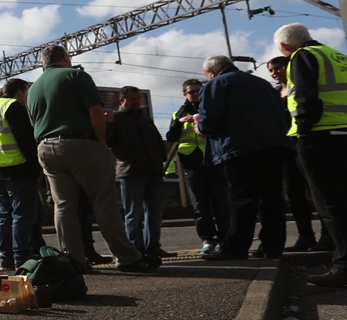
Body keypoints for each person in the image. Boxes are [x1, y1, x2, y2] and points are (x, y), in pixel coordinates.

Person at [274, 23, 347, 287]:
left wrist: (302, 131)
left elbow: (305, 98)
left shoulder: (302, 57)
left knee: (330, 204)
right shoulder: (339, 57)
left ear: (284, 47)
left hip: (319, 137)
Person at [24, 45, 154, 273]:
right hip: (80, 143)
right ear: (65, 57)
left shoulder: (32, 89)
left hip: (46, 147)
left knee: (64, 205)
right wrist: (100, 142)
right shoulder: (76, 75)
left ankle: (74, 260)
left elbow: (35, 122)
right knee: (104, 201)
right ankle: (127, 257)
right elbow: (95, 111)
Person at [196, 55, 288, 260]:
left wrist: (198, 126)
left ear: (211, 72)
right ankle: (272, 247)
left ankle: (235, 248)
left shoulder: (215, 85)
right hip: (273, 147)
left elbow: (208, 123)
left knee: (242, 200)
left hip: (239, 149)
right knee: (271, 199)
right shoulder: (263, 84)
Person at [265, 55, 328, 252]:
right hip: (285, 148)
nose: (274, 73)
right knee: (293, 193)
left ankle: (328, 235)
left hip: (304, 142)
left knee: (317, 191)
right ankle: (305, 236)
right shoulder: (274, 93)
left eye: (277, 68)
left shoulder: (298, 86)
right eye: (271, 70)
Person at [166, 77, 230, 255]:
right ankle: (207, 239)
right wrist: (179, 123)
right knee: (199, 204)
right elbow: (171, 137)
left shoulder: (211, 109)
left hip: (214, 160)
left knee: (221, 202)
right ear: (185, 94)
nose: (195, 94)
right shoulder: (177, 114)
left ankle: (225, 238)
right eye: (191, 92)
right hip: (191, 164)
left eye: (198, 91)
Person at [0, 79, 41, 273]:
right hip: (18, 168)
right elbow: (25, 140)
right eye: (26, 92)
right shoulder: (14, 107)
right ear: (19, 92)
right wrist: (37, 167)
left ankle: (6, 258)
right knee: (22, 215)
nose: (27, 96)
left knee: (5, 215)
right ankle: (21, 257)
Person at [106, 86, 168, 262]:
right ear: (122, 101)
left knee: (154, 213)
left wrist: (160, 159)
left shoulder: (143, 117)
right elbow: (110, 142)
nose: (136, 102)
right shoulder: (116, 119)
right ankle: (136, 250)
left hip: (153, 170)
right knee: (134, 213)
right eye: (132, 99)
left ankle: (152, 248)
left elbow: (156, 139)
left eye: (138, 98)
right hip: (131, 172)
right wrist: (126, 156)